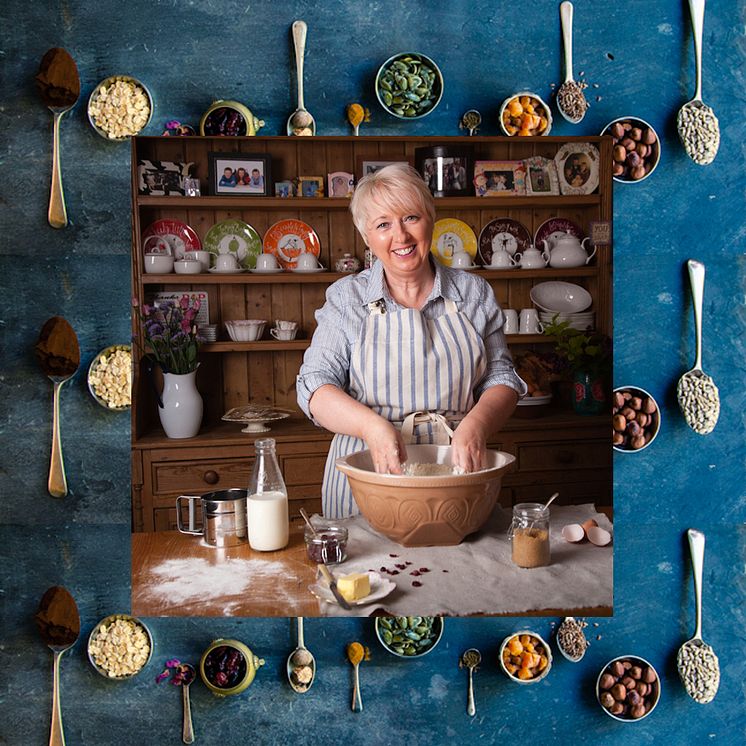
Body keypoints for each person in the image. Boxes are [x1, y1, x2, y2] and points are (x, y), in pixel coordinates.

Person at [297, 164, 526, 518]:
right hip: (367, 470)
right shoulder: (346, 298)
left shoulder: (473, 293)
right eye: (383, 224)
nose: (400, 236)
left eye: (411, 217)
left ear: (430, 221)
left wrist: (476, 425)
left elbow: (501, 378)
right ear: (367, 237)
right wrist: (372, 428)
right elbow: (315, 386)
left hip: (456, 470)